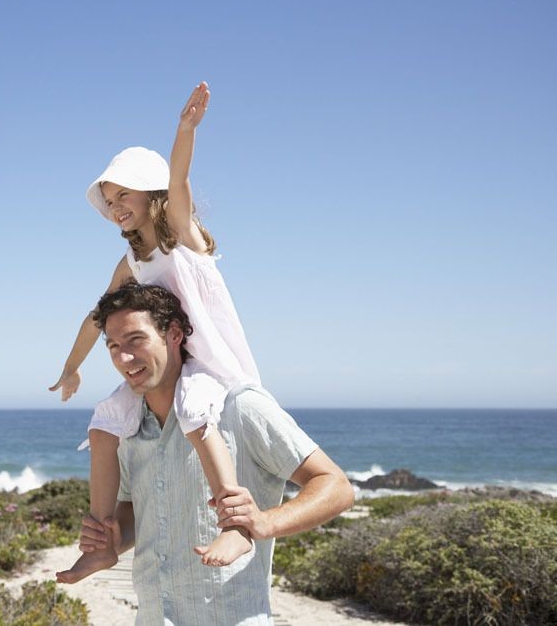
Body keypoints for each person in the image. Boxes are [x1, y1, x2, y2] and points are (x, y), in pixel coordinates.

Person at [52, 82, 260, 580]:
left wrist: (184, 130)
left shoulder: (183, 238)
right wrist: (70, 367)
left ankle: (234, 525)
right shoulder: (131, 261)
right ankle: (105, 541)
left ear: (151, 193)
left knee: (191, 410)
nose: (116, 205)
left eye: (124, 193)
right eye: (109, 199)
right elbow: (96, 316)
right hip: (162, 370)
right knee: (104, 424)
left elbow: (181, 180)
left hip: (206, 367)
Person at [66, 282, 355, 624]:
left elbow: (336, 486)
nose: (123, 357)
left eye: (136, 340)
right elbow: (133, 507)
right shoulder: (125, 426)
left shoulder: (239, 406)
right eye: (113, 346)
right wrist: (113, 540)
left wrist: (264, 522)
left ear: (174, 335)